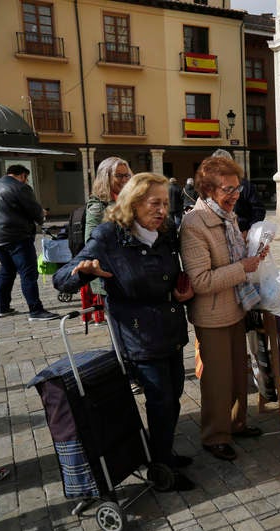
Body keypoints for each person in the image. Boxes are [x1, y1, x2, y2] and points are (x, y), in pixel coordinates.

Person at [53, 173, 195, 491]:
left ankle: (162, 451)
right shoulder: (108, 236)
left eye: (164, 203)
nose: (162, 210)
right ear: (133, 203)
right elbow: (61, 278)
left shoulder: (165, 232)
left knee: (172, 399)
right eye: (154, 203)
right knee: (160, 401)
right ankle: (161, 466)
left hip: (169, 326)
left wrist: (182, 291)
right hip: (138, 334)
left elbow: (172, 275)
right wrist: (83, 273)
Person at [180, 156, 267, 462]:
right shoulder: (194, 223)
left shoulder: (227, 215)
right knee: (217, 379)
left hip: (235, 306)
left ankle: (236, 423)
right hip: (213, 313)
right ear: (208, 189)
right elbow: (201, 281)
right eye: (227, 189)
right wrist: (243, 267)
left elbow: (235, 256)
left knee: (237, 372)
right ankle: (215, 435)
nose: (235, 195)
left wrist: (254, 252)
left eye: (237, 188)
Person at [0, 164, 58, 321]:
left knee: (7, 271)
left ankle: (2, 307)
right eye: (26, 178)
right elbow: (34, 210)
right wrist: (42, 214)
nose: (26, 181)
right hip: (17, 236)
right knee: (28, 273)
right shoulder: (20, 187)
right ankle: (36, 310)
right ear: (22, 175)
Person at [82, 156, 133, 325]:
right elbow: (91, 244)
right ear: (106, 177)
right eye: (119, 176)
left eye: (127, 175)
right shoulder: (98, 206)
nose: (125, 179)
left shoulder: (130, 200)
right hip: (112, 278)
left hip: (133, 275)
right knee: (122, 332)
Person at [210, 149, 267, 234]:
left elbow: (259, 209)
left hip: (241, 232)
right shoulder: (210, 186)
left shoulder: (244, 185)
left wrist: (249, 230)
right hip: (217, 233)